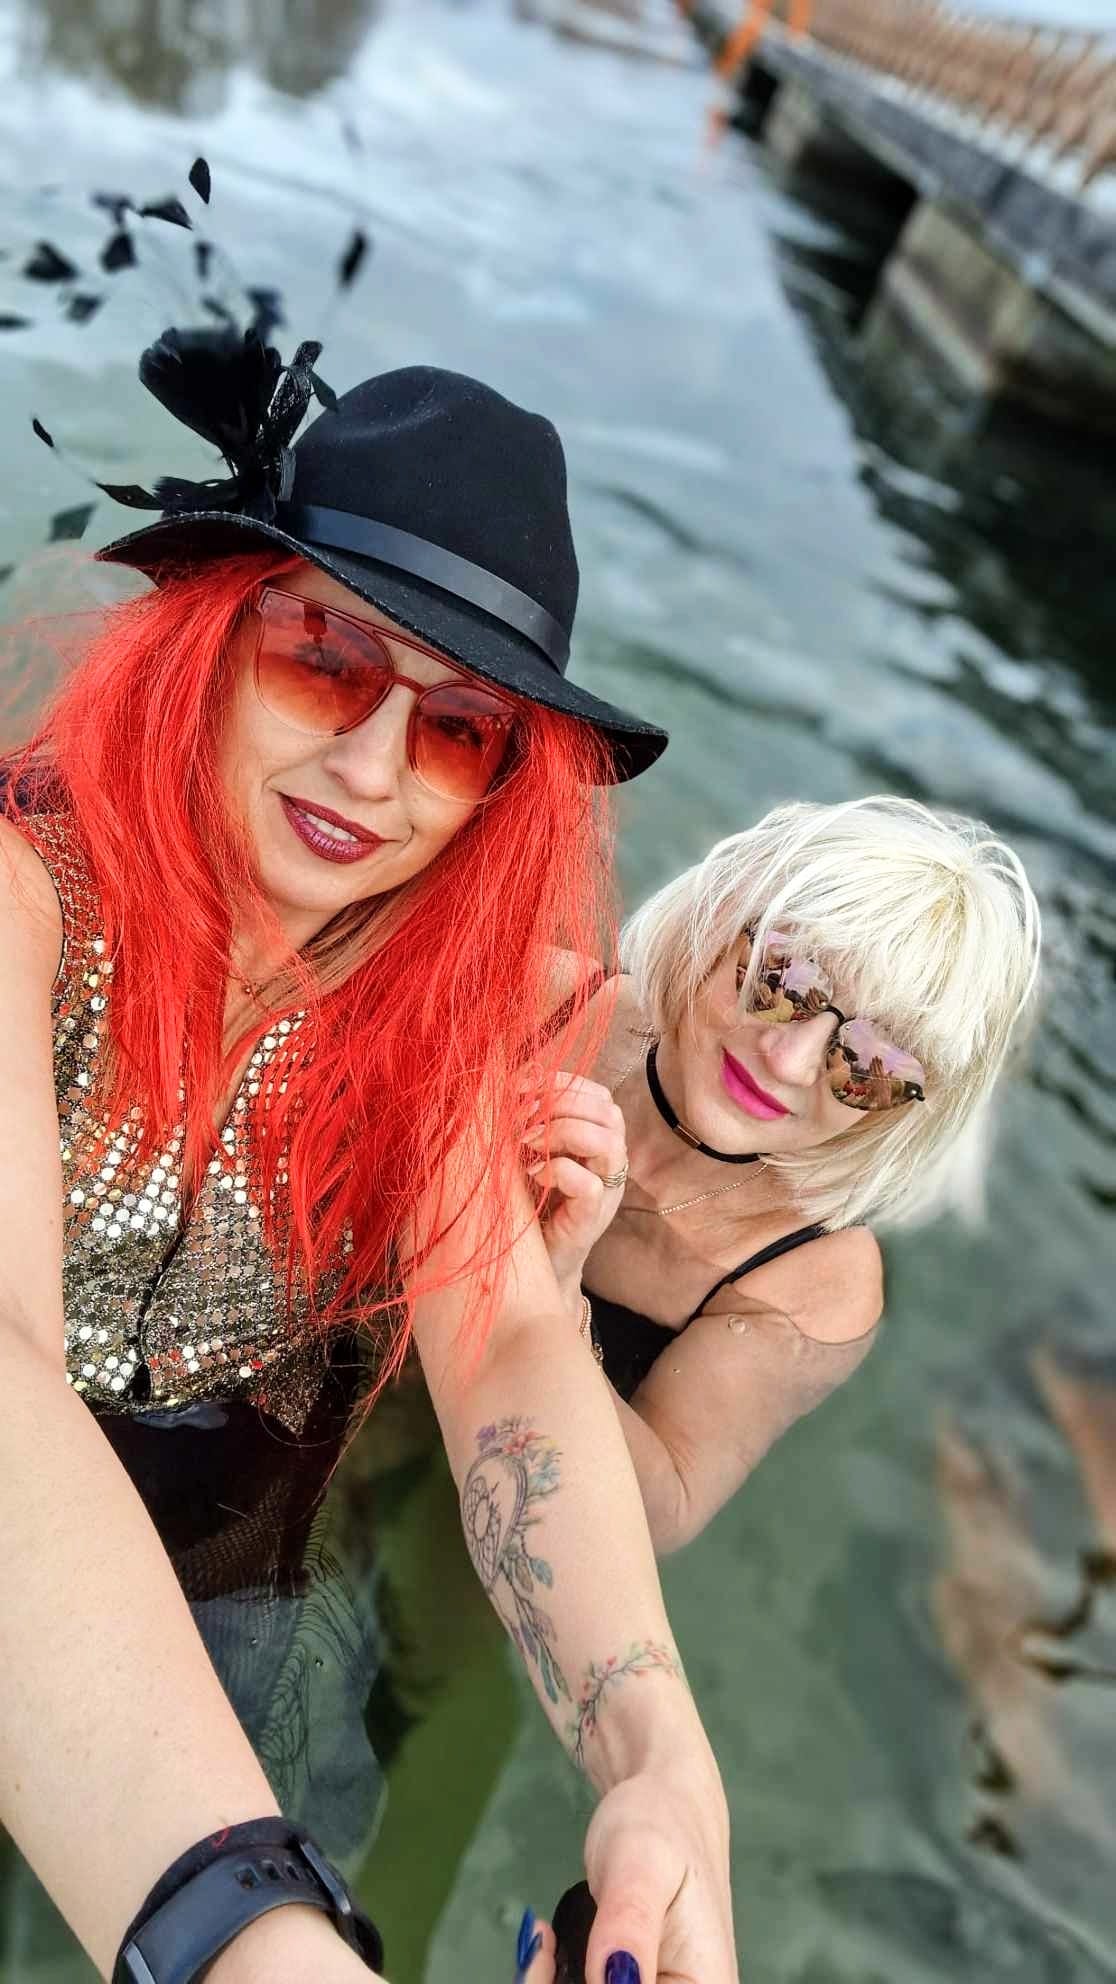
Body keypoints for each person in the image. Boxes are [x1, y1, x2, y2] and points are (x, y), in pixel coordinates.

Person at [0, 330, 738, 1984]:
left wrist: (660, 1762)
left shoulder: (430, 1008)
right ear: (213, 634)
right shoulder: (22, 895)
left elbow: (513, 1337)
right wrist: (249, 1940)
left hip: (234, 1563)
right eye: (324, 658)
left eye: (460, 729)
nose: (372, 769)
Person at [532, 797, 1041, 1552]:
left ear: (905, 1108)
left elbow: (664, 1507)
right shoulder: (556, 1005)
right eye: (785, 979)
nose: (791, 1061)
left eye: (872, 1062)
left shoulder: (817, 1281)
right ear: (716, 925)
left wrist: (556, 1289)